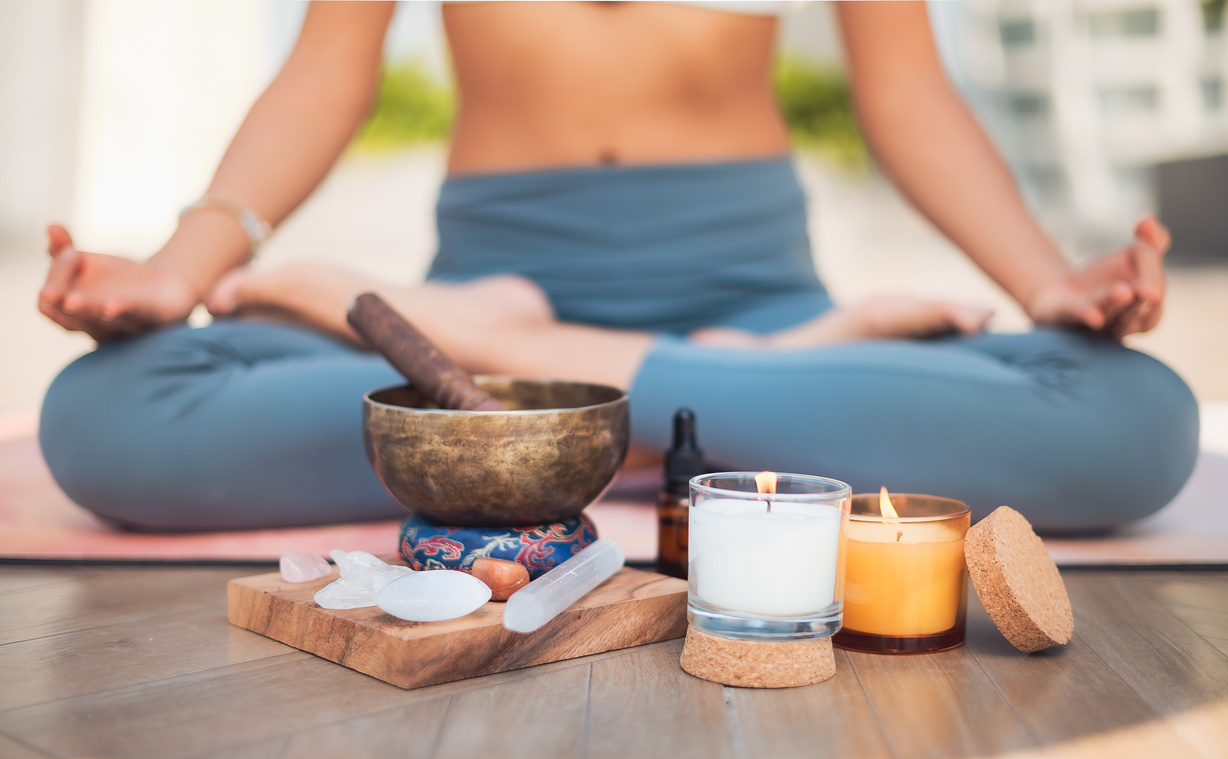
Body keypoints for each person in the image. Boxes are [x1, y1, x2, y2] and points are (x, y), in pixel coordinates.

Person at [37, 1, 1197, 534]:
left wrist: (1049, 286)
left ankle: (537, 376)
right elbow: (326, 65)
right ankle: (726, 407)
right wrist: (177, 269)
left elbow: (905, 89)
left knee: (1132, 419)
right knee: (114, 411)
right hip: (512, 279)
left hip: (613, 321)